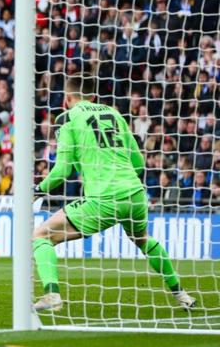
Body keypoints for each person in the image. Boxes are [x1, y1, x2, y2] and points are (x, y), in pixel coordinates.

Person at [32, 74, 195, 311]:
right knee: (143, 240)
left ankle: (52, 295)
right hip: (136, 195)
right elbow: (138, 163)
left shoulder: (67, 118)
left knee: (40, 236)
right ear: (94, 96)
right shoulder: (115, 114)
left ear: (67, 99)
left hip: (104, 199)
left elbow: (62, 170)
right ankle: (181, 294)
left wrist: (38, 189)